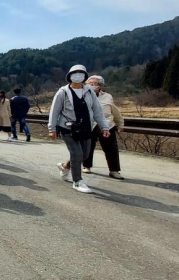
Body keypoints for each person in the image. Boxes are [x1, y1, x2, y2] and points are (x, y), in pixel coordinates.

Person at [48, 64, 110, 193]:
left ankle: (65, 166)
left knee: (85, 154)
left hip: (86, 127)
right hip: (67, 128)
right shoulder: (63, 92)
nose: (78, 75)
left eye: (81, 73)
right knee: (77, 153)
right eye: (75, 73)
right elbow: (55, 111)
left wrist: (104, 126)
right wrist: (52, 129)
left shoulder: (89, 92)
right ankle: (77, 181)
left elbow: (97, 110)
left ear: (85, 76)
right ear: (69, 76)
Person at [83, 75, 125, 179]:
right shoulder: (82, 95)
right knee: (88, 147)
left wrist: (120, 124)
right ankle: (86, 166)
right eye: (89, 83)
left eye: (94, 83)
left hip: (107, 125)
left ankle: (114, 170)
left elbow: (114, 111)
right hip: (89, 125)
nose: (91, 85)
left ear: (100, 86)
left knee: (111, 149)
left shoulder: (107, 97)